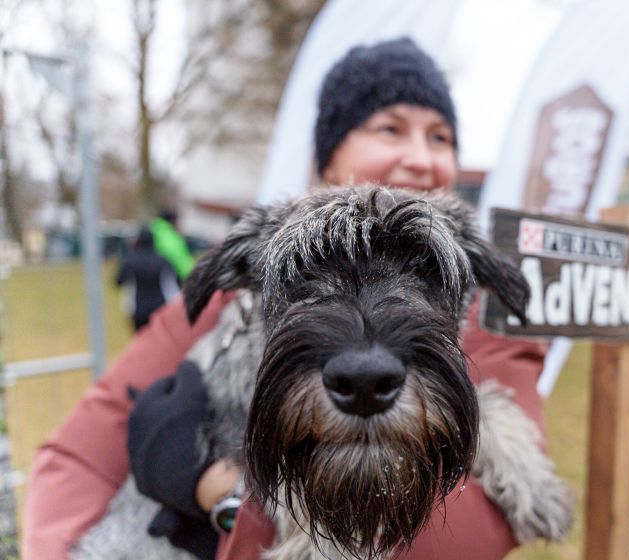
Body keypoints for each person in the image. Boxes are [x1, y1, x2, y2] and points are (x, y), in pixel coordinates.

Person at [24, 38, 549, 560]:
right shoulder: (236, 288)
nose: (419, 158)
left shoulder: (496, 320)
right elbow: (75, 459)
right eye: (390, 129)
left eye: (440, 138)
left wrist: (222, 496)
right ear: (329, 157)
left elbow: (478, 535)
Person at [115, 226, 181, 331]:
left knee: (141, 336)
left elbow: (118, 281)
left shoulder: (130, 261)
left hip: (138, 308)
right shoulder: (163, 260)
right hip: (160, 306)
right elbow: (176, 280)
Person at [149, 209, 195, 282]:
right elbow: (178, 258)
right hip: (172, 277)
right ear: (173, 221)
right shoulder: (169, 236)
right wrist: (191, 275)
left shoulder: (154, 230)